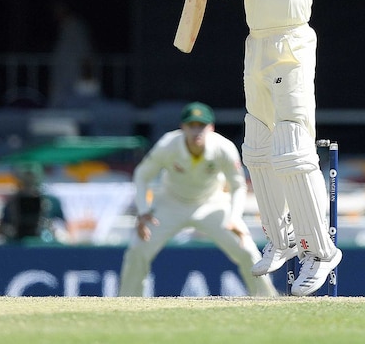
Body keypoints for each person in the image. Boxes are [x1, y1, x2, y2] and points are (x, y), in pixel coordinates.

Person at [195, 0, 342, 296]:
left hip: (292, 42)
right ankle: (280, 241)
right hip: (256, 43)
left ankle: (320, 251)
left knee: (293, 153)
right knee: (257, 151)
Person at [118, 101, 277, 297]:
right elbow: (142, 175)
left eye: (201, 126)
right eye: (191, 126)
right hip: (171, 203)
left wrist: (234, 217)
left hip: (212, 204)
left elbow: (238, 185)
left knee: (247, 250)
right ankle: (127, 301)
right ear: (182, 127)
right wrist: (143, 212)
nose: (196, 131)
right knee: (137, 249)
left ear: (211, 128)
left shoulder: (223, 148)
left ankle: (267, 299)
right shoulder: (168, 145)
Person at [0, 163, 68, 243]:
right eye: (26, 175)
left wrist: (55, 230)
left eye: (32, 175)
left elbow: (65, 225)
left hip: (44, 243)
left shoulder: (51, 201)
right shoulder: (11, 202)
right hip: (18, 243)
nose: (29, 179)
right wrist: (8, 230)